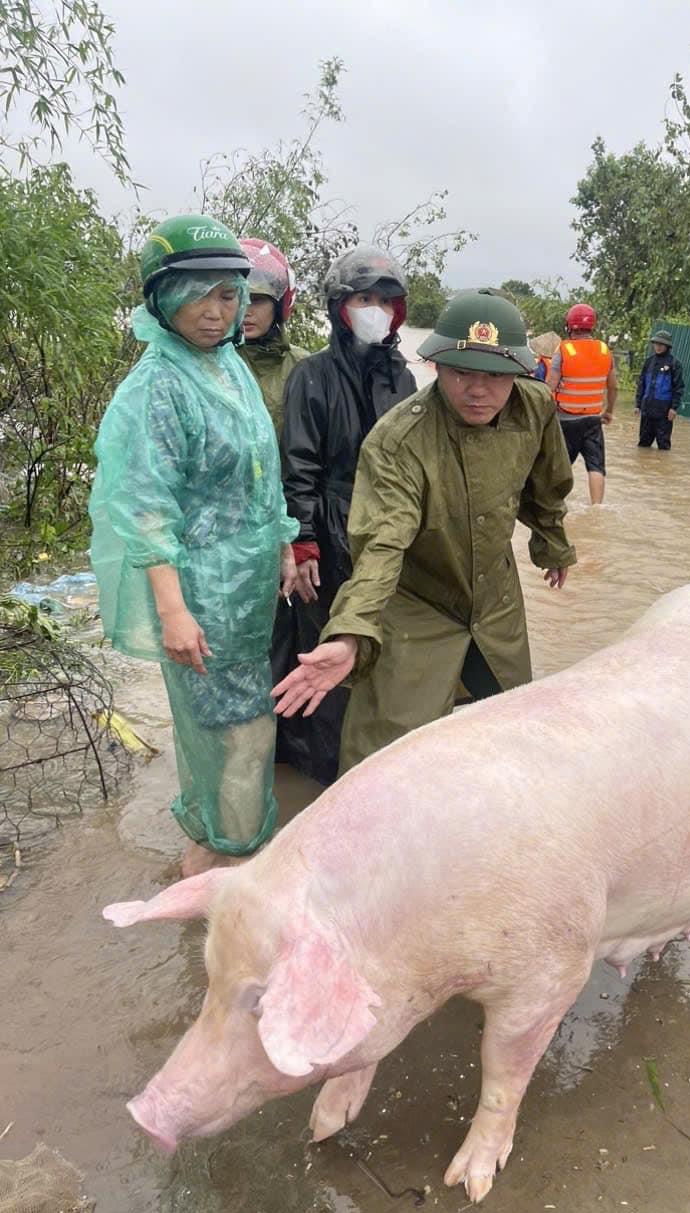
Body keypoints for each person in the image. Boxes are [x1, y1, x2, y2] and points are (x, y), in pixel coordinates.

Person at [272, 289, 577, 772]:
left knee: (511, 730)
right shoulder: (398, 442)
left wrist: (552, 543)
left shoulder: (534, 407)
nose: (478, 391)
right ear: (436, 367)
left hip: (494, 597)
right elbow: (381, 544)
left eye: (495, 376)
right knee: (386, 756)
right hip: (417, 604)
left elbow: (547, 484)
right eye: (462, 373)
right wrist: (349, 634)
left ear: (520, 373)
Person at [89, 214, 299, 877]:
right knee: (233, 732)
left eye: (229, 295)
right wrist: (174, 611)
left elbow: (261, 478)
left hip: (247, 591)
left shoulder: (225, 365)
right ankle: (221, 866)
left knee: (234, 731)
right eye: (199, 294)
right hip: (202, 597)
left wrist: (286, 546)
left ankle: (219, 843)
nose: (216, 312)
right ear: (161, 298)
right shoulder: (158, 387)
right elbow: (146, 509)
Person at [277, 245, 416, 782]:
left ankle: (373, 763)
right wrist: (304, 541)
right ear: (340, 305)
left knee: (379, 643)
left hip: (383, 527)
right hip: (329, 526)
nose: (375, 308)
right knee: (323, 645)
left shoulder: (402, 377)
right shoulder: (312, 375)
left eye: (385, 299)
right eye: (363, 297)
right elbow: (299, 464)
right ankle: (323, 774)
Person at [236, 237, 309, 435]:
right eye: (238, 298)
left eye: (257, 300)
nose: (246, 311)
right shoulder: (209, 361)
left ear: (278, 306)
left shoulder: (302, 365)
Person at [546, 303, 616, 504]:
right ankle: (597, 508)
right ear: (592, 326)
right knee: (596, 467)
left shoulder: (564, 349)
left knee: (561, 465)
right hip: (593, 420)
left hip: (565, 420)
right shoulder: (604, 350)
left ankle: (554, 504)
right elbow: (614, 387)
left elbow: (550, 384)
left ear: (569, 326)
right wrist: (608, 411)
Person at [635, 330, 684, 451]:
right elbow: (641, 384)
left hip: (664, 413)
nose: (658, 346)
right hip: (647, 410)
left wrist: (673, 408)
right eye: (656, 344)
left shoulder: (674, 364)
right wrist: (638, 405)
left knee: (663, 447)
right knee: (643, 445)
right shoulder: (649, 362)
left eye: (661, 344)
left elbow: (678, 387)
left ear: (667, 346)